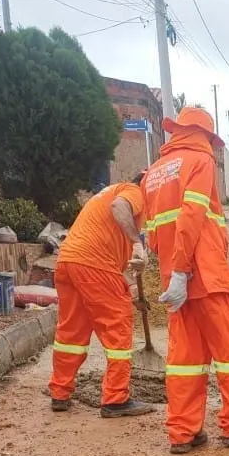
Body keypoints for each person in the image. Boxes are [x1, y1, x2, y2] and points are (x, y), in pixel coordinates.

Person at [141, 106, 229, 453]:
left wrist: (172, 275)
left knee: (184, 359)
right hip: (206, 276)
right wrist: (185, 270)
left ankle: (183, 433)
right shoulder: (200, 163)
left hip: (175, 285)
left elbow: (153, 234)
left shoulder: (153, 173)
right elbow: (191, 217)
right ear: (204, 137)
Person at [48, 175, 152, 417]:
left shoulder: (106, 194)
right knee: (118, 327)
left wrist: (127, 280)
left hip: (68, 262)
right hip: (94, 265)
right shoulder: (134, 191)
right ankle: (115, 399)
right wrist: (137, 243)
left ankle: (60, 392)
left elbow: (104, 237)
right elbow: (120, 208)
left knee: (70, 333)